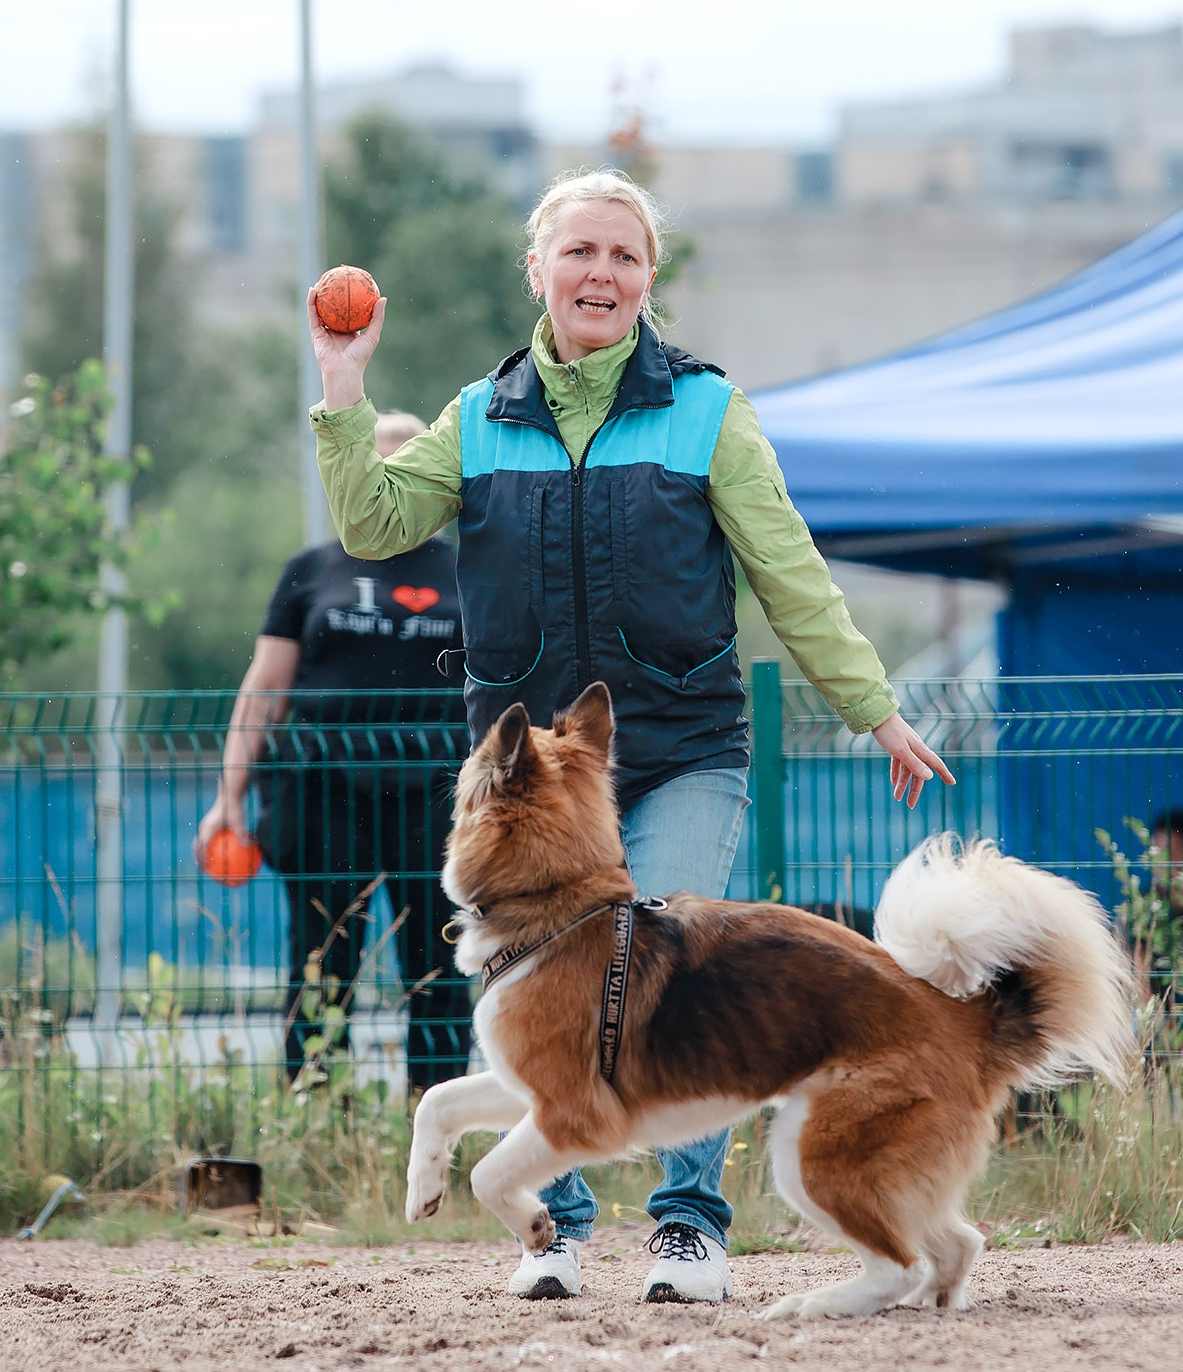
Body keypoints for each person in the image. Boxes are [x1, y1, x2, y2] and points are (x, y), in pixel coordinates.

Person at [303, 171, 954, 1305]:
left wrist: (873, 707)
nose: (601, 274)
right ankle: (551, 1231)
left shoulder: (705, 410)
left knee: (674, 971)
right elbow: (372, 522)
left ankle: (688, 1226)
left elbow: (786, 571)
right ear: (540, 271)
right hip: (541, 783)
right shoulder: (478, 415)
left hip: (682, 745)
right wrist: (344, 388)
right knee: (541, 1000)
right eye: (580, 254)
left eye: (624, 257)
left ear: (649, 279)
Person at [194, 411, 471, 1098]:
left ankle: (430, 1123)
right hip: (323, 793)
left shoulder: (469, 570)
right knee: (321, 962)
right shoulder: (310, 570)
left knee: (437, 963)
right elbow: (263, 689)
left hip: (435, 794)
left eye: (409, 464)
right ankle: (315, 1113)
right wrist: (227, 797)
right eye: (377, 464)